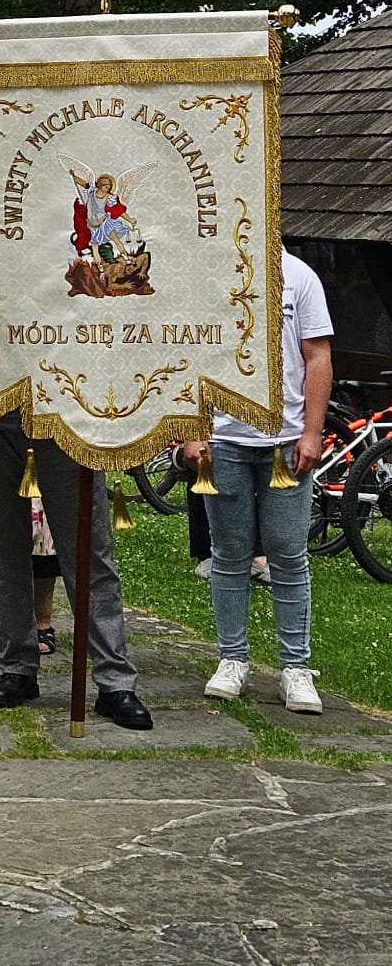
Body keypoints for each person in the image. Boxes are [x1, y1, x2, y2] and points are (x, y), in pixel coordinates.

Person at [0, 269, 153, 727]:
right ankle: (17, 667)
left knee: (86, 551)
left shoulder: (77, 253)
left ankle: (114, 681)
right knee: (6, 549)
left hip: (69, 414)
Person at [188, 248, 333, 714]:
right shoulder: (209, 274)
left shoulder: (300, 276)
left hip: (285, 442)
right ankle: (232, 659)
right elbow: (189, 352)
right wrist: (192, 430)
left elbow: (317, 354)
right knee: (229, 554)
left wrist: (312, 431)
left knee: (288, 553)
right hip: (224, 440)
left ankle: (296, 668)